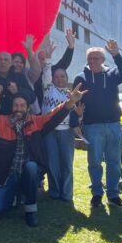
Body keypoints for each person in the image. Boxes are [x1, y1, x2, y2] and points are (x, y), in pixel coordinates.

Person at [0, 83, 87, 226]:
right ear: (11, 107)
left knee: (32, 167)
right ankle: (15, 194)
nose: (18, 109)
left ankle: (31, 209)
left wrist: (70, 102)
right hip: (8, 175)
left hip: (29, 173)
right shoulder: (2, 121)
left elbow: (54, 115)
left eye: (22, 105)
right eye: (16, 105)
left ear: (27, 108)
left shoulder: (36, 122)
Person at [71, 39, 122, 209]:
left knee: (114, 162)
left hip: (114, 125)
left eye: (96, 58)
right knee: (95, 162)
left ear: (103, 60)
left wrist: (117, 54)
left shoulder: (112, 74)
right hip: (93, 126)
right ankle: (97, 194)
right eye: (90, 58)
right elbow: (74, 101)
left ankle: (114, 195)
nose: (93, 61)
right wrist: (76, 122)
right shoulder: (80, 77)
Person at [39, 63, 84, 202]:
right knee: (52, 163)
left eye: (62, 76)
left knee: (67, 163)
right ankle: (54, 191)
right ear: (52, 78)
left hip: (67, 132)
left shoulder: (71, 94)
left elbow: (75, 116)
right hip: (50, 132)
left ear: (67, 78)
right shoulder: (48, 89)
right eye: (56, 76)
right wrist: (47, 59)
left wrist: (80, 115)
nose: (59, 79)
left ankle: (66, 193)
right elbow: (46, 74)